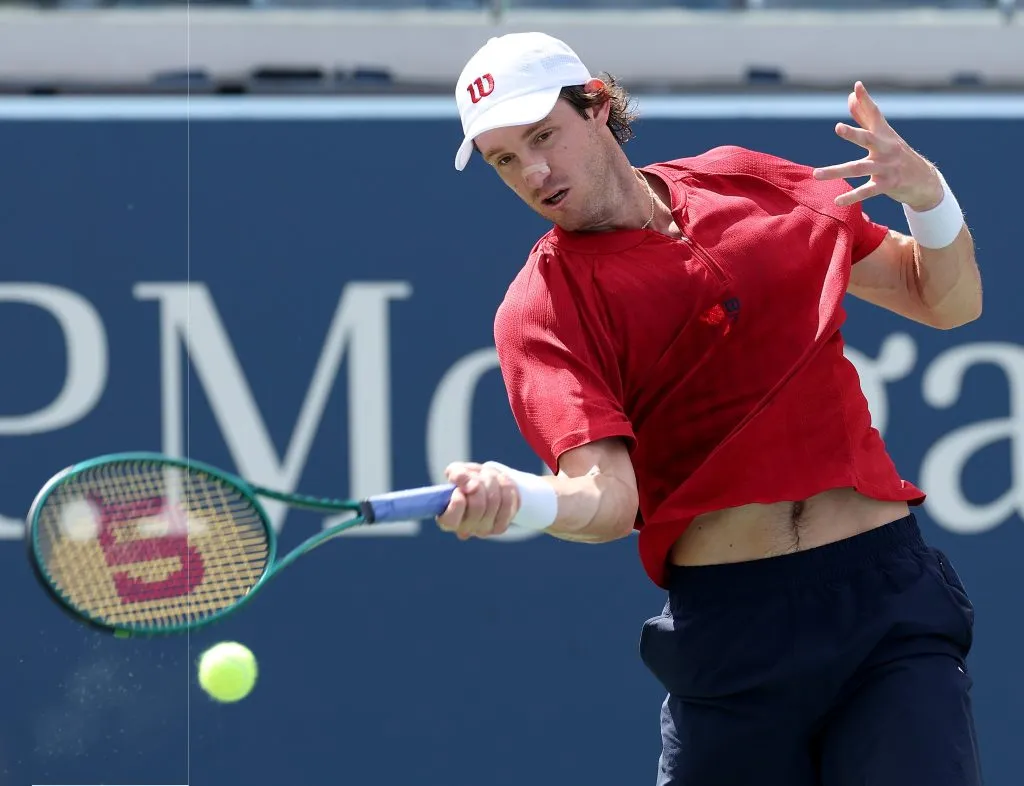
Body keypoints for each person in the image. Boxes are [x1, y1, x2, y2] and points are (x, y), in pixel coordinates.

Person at [436, 31, 984, 786]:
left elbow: (944, 299)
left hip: (885, 603)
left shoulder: (751, 183)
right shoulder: (542, 310)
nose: (533, 172)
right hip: (731, 635)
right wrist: (522, 498)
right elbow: (605, 499)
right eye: (504, 159)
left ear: (596, 105)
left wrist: (929, 196)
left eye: (542, 136)